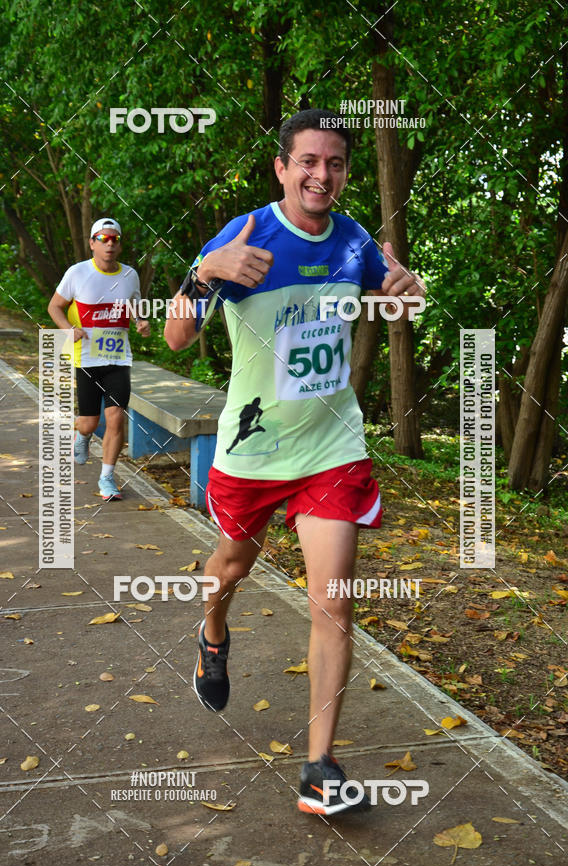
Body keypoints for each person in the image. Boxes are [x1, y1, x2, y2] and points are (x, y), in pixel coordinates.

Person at [164, 109, 426, 815]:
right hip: (252, 452)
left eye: (334, 163)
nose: (322, 174)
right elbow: (178, 335)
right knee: (229, 572)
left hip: (330, 447)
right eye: (307, 161)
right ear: (282, 168)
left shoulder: (354, 240)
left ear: (344, 173)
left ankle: (319, 770)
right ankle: (212, 631)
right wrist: (201, 271)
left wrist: (407, 292)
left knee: (333, 602)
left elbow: (394, 293)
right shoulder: (245, 236)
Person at [48, 217, 150, 500]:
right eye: (103, 239)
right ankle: (81, 436)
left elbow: (135, 306)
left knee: (116, 418)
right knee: (90, 422)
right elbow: (54, 307)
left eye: (114, 239)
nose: (109, 244)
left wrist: (141, 321)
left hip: (118, 359)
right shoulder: (77, 273)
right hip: (87, 359)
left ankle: (107, 479)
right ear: (92, 243)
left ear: (119, 244)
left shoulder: (130, 275)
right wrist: (69, 331)